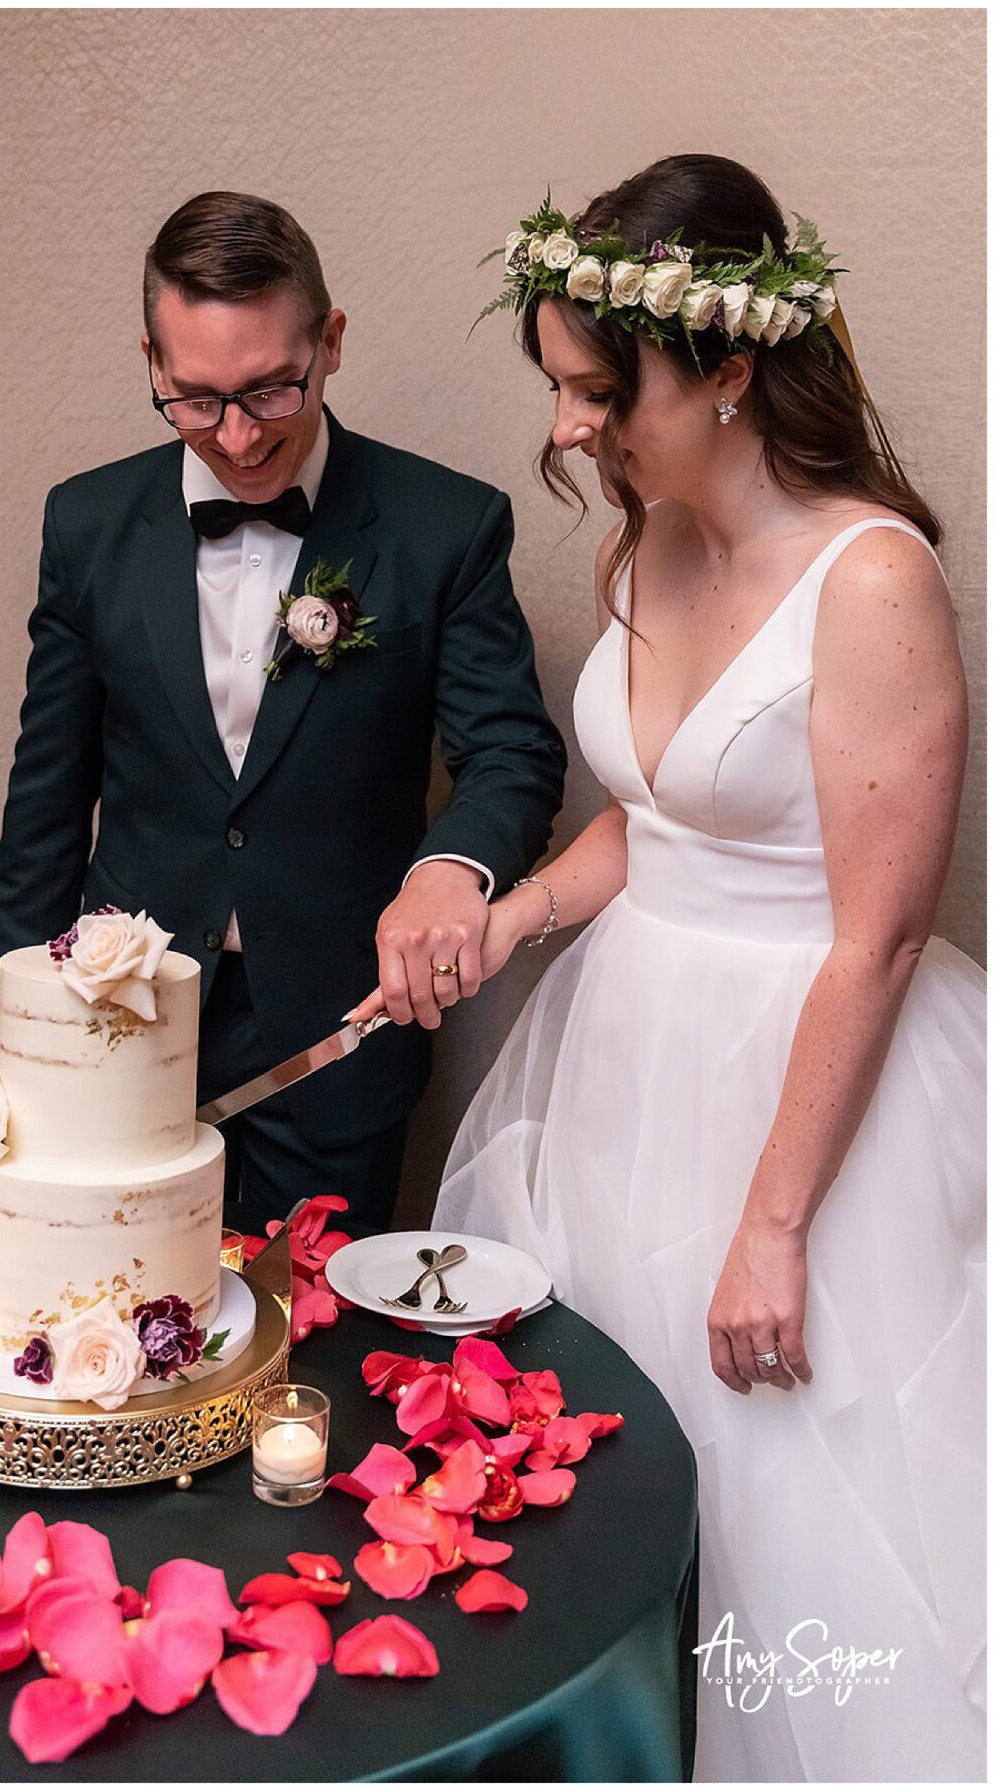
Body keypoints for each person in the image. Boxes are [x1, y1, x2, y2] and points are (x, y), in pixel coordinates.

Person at [364, 154, 985, 1779]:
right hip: (619, 1061)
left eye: (598, 391)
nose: (571, 428)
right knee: (609, 1467)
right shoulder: (642, 549)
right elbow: (652, 825)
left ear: (724, 365)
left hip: (807, 1094)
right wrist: (513, 917)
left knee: (786, 1499)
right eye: (561, 389)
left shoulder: (876, 581)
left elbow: (881, 930)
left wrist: (771, 1227)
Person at [0, 190, 566, 1228]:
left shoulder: (446, 526)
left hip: (341, 1021)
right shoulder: (88, 522)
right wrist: (10, 1034)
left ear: (329, 343)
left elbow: (511, 750)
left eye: (270, 391)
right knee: (112, 1325)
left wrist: (446, 871)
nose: (238, 439)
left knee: (315, 1358)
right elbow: (48, 790)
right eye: (195, 399)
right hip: (121, 1010)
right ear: (152, 361)